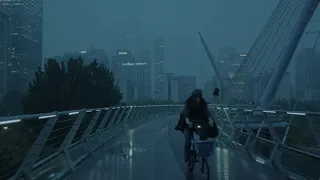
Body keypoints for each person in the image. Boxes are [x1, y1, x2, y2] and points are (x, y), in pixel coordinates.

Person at [176, 88, 215, 168]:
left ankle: (202, 155)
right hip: (187, 124)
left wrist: (210, 120)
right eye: (197, 97)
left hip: (197, 123)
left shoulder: (202, 103)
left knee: (203, 137)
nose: (198, 98)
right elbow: (186, 113)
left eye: (199, 97)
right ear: (193, 97)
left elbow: (207, 112)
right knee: (188, 140)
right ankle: (187, 159)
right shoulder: (188, 103)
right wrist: (188, 121)